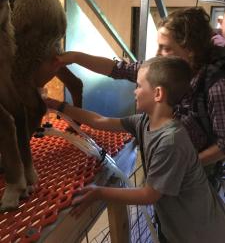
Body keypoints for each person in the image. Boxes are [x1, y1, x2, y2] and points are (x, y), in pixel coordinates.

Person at [45, 56, 225, 243]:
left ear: (158, 94)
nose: (135, 91)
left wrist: (99, 192)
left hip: (202, 231)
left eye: (139, 86)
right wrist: (58, 106)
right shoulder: (144, 121)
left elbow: (149, 195)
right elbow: (100, 121)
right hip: (180, 227)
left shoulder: (171, 141)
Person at [55, 7, 225, 173]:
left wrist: (187, 168)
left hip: (198, 176)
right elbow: (118, 69)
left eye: (166, 48)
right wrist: (75, 57)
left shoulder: (216, 86)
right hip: (171, 165)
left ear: (190, 50)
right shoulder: (169, 71)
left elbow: (223, 146)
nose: (157, 53)